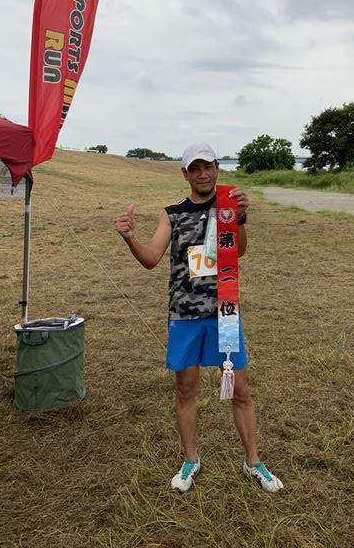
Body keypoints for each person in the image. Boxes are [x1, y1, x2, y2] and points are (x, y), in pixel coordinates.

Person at [114, 143, 283, 493]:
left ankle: (253, 461)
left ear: (217, 167)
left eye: (208, 166)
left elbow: (239, 251)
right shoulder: (172, 213)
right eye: (195, 168)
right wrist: (130, 238)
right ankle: (191, 459)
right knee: (185, 390)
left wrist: (240, 219)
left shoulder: (227, 206)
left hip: (225, 313)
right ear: (185, 174)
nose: (202, 174)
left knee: (241, 390)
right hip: (185, 316)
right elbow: (151, 258)